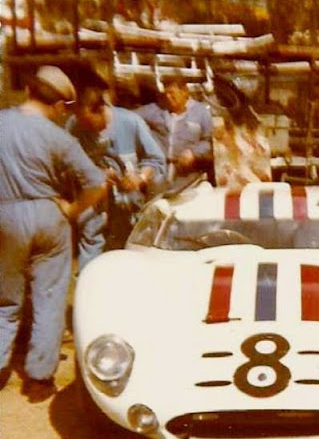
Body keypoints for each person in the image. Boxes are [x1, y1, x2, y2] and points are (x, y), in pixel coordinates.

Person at [0, 66, 106, 400]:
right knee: (49, 296)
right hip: (49, 213)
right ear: (59, 105)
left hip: (5, 214)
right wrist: (74, 209)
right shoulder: (60, 137)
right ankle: (39, 379)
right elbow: (97, 183)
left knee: (5, 299)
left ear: (28, 91)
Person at [67, 80, 166, 270]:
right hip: (94, 208)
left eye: (88, 122)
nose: (85, 127)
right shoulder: (74, 126)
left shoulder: (132, 122)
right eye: (81, 122)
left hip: (128, 209)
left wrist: (140, 177)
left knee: (128, 260)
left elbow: (156, 160)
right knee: (91, 258)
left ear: (101, 110)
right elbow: (68, 165)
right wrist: (96, 174)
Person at [135, 74, 214, 192]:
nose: (168, 97)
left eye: (172, 93)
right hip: (160, 175)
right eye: (166, 93)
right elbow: (129, 117)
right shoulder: (156, 109)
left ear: (185, 92)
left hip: (188, 177)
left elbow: (210, 141)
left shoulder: (201, 112)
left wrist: (194, 153)